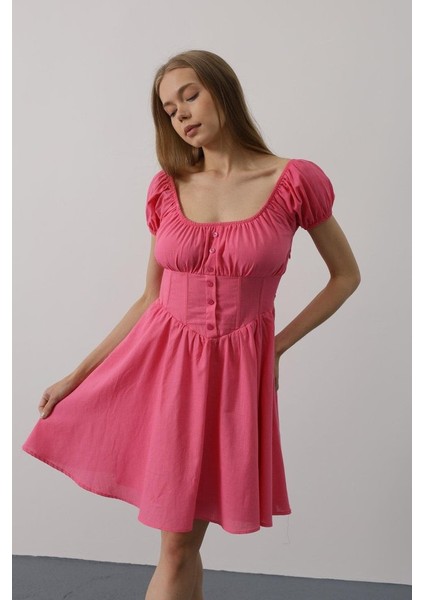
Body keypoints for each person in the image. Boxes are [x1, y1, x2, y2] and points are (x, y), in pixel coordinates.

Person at [22, 49, 361, 600]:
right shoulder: (167, 186)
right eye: (168, 108)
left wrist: (275, 347)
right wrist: (76, 376)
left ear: (224, 91)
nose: (180, 113)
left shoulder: (295, 181)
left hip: (233, 378)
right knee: (179, 545)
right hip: (161, 371)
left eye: (189, 95)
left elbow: (345, 276)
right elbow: (150, 298)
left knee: (181, 545)